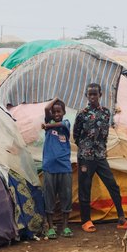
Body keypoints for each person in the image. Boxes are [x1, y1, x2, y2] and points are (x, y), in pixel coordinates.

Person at [73, 82, 127, 232]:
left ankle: (121, 217)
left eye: (95, 94)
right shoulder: (82, 114)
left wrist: (100, 149)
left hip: (101, 156)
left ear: (100, 95)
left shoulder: (106, 113)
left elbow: (105, 134)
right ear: (86, 96)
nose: (92, 97)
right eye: (89, 94)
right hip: (86, 156)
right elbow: (76, 136)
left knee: (112, 185)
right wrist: (86, 148)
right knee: (85, 188)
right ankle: (86, 220)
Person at [40, 98, 73, 239]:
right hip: (49, 166)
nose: (56, 114)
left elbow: (61, 124)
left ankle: (65, 226)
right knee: (49, 196)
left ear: (64, 112)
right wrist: (55, 99)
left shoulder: (65, 124)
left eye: (59, 111)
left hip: (64, 167)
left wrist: (47, 126)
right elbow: (46, 109)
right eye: (54, 112)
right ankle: (51, 226)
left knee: (66, 196)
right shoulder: (49, 121)